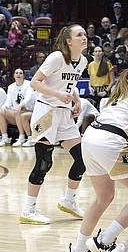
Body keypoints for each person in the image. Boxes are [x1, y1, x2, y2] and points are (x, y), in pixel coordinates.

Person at [65, 43, 128, 252]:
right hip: (111, 140)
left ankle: (78, 250)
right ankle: (105, 240)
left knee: (103, 197)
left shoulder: (124, 82)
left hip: (91, 135)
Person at [20, 25, 89, 225]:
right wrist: (58, 95)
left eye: (84, 34)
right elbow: (35, 82)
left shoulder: (82, 61)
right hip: (46, 111)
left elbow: (70, 85)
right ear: (69, 41)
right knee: (44, 162)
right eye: (79, 35)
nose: (84, 37)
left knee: (82, 158)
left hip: (63, 114)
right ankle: (29, 209)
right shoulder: (57, 57)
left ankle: (69, 201)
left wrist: (76, 100)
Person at [0, 68, 33, 146]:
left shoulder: (29, 84)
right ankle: (5, 138)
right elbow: (8, 101)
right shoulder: (11, 87)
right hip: (16, 111)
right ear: (14, 75)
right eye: (16, 73)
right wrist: (5, 106)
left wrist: (21, 105)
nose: (18, 75)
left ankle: (22, 137)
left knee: (18, 111)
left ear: (23, 75)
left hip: (28, 110)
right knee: (1, 112)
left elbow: (28, 98)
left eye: (20, 73)